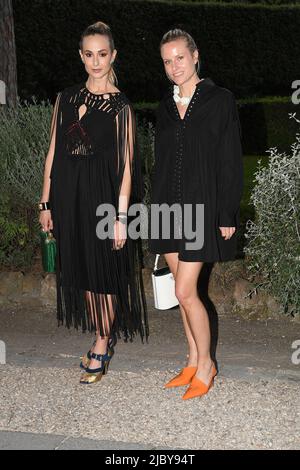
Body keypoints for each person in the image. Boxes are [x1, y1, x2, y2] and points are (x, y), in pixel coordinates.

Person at [39, 21, 148, 385]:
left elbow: (127, 167)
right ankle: (101, 333)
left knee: (103, 272)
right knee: (84, 272)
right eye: (89, 54)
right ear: (81, 56)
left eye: (102, 54)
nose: (96, 61)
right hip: (69, 199)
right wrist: (46, 203)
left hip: (103, 200)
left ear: (113, 55)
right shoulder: (66, 98)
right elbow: (53, 151)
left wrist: (120, 217)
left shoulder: (121, 107)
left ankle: (102, 341)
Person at [149, 29, 243, 399]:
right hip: (166, 208)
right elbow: (163, 161)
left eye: (180, 58)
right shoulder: (165, 106)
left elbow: (230, 160)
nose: (174, 67)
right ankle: (191, 359)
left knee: (187, 291)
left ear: (195, 55)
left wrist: (227, 213)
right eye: (167, 61)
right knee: (178, 291)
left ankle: (207, 365)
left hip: (202, 208)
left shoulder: (221, 100)